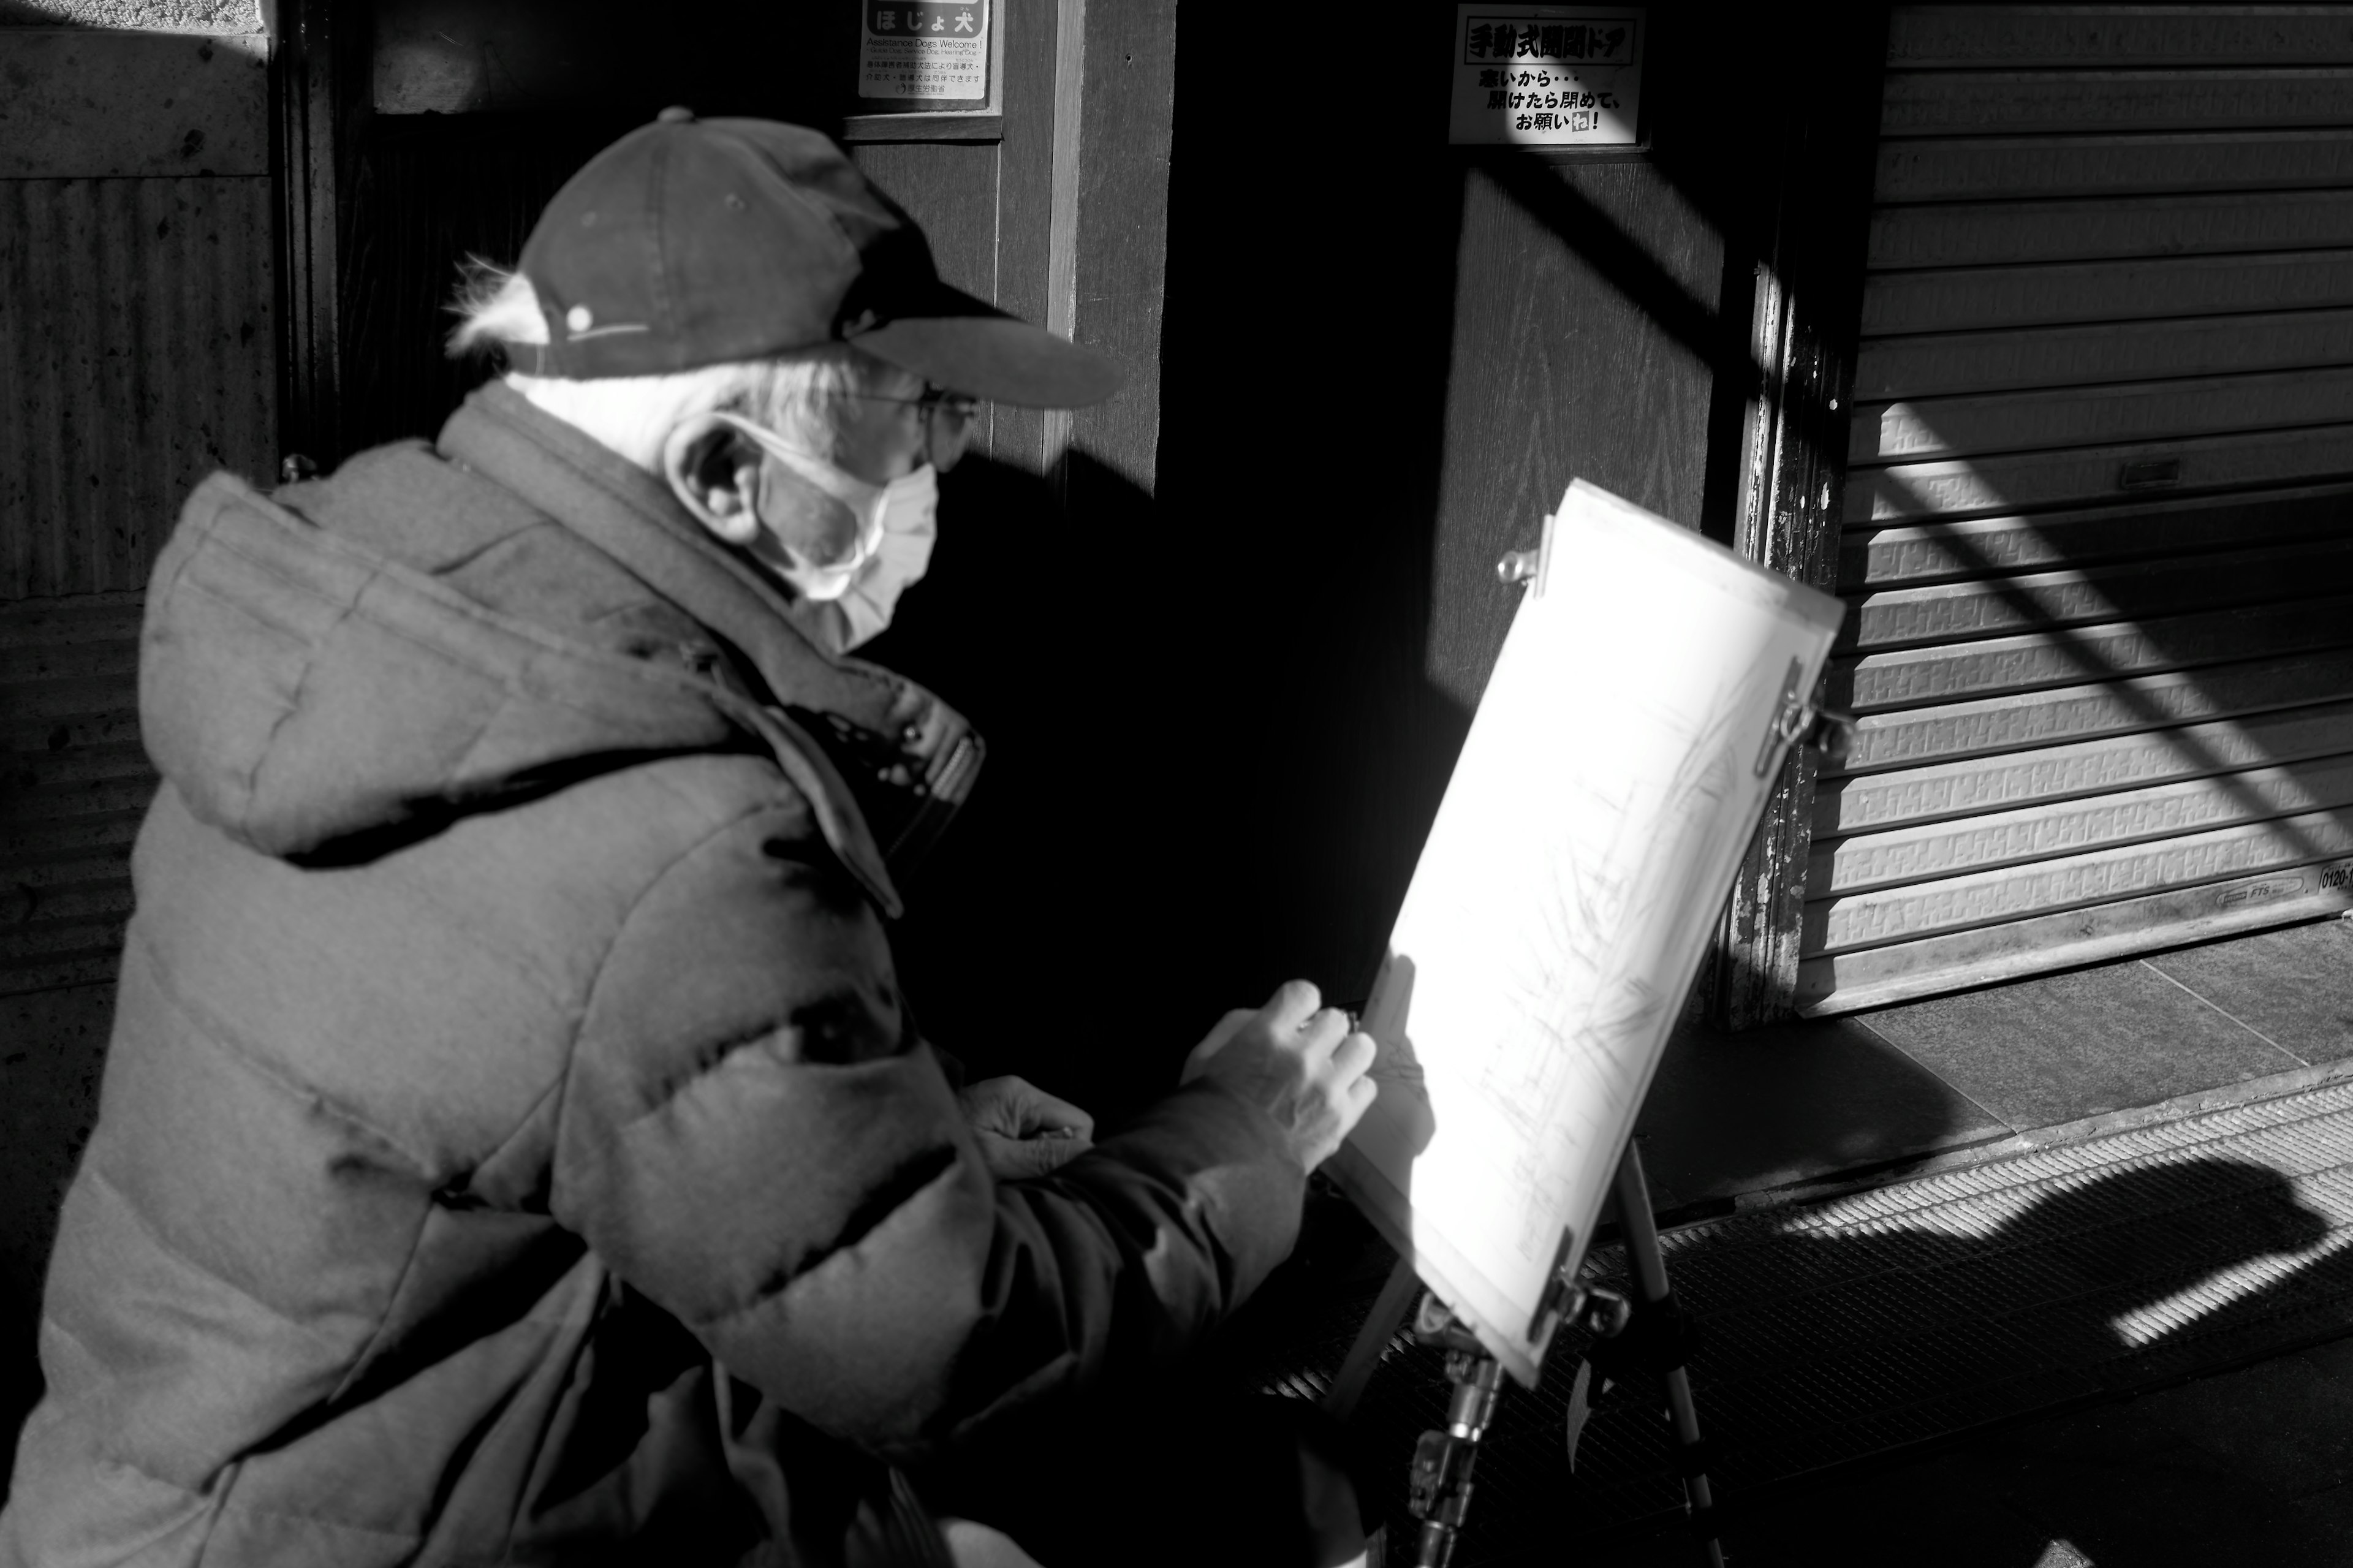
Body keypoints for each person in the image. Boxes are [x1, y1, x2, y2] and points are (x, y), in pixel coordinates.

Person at [0, 113, 1377, 1567]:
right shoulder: (664, 824)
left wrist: (906, 1135)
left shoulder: (385, 624)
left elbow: (543, 1074)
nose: (945, 468)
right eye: (914, 420)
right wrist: (1239, 1135)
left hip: (183, 1495)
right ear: (726, 474)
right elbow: (967, 1352)